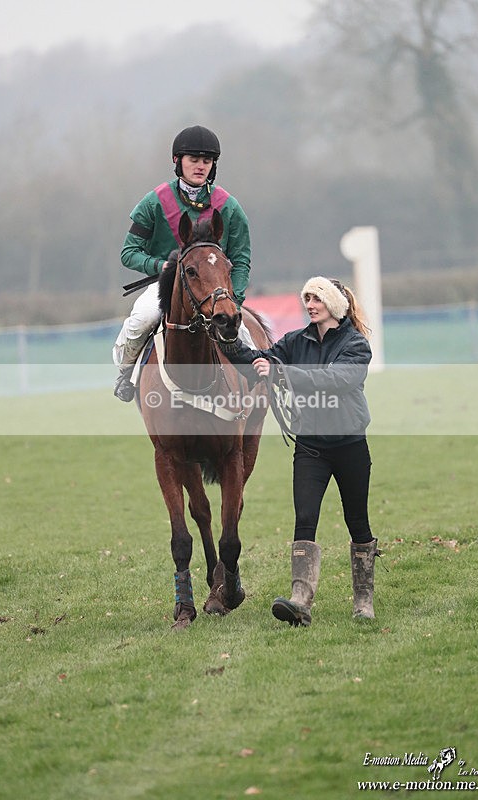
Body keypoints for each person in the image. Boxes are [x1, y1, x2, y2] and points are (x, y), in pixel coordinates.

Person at [219, 276, 380, 626]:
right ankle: (300, 601)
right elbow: (258, 360)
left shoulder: (356, 345)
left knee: (358, 523)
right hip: (310, 447)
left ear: (334, 304)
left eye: (316, 298)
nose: (309, 305)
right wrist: (229, 337)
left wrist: (282, 371)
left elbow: (336, 380)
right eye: (306, 298)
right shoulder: (296, 340)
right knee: (304, 520)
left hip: (350, 445)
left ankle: (364, 600)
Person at [113, 125, 252, 401]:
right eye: (193, 159)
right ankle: (125, 374)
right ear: (178, 161)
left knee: (245, 336)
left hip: (216, 288)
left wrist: (234, 300)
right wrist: (159, 266)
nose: (200, 166)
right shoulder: (154, 202)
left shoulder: (230, 207)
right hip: (166, 284)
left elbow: (241, 260)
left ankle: (263, 382)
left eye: (206, 161)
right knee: (143, 319)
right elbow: (129, 252)